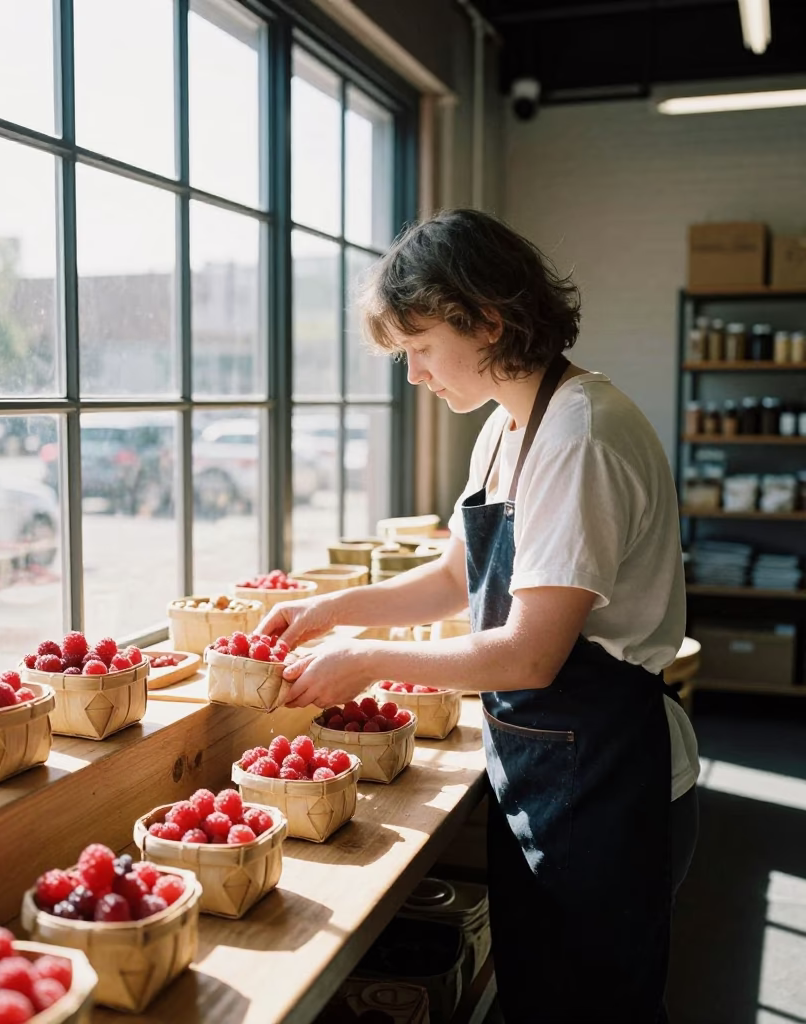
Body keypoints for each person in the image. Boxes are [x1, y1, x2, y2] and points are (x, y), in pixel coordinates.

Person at [259, 209, 700, 1023]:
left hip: (610, 780)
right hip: (542, 765)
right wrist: (329, 609)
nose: (415, 375)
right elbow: (455, 577)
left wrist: (364, 660)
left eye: (421, 348)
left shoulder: (581, 434)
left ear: (488, 320)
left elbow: (531, 655)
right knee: (537, 997)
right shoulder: (507, 425)